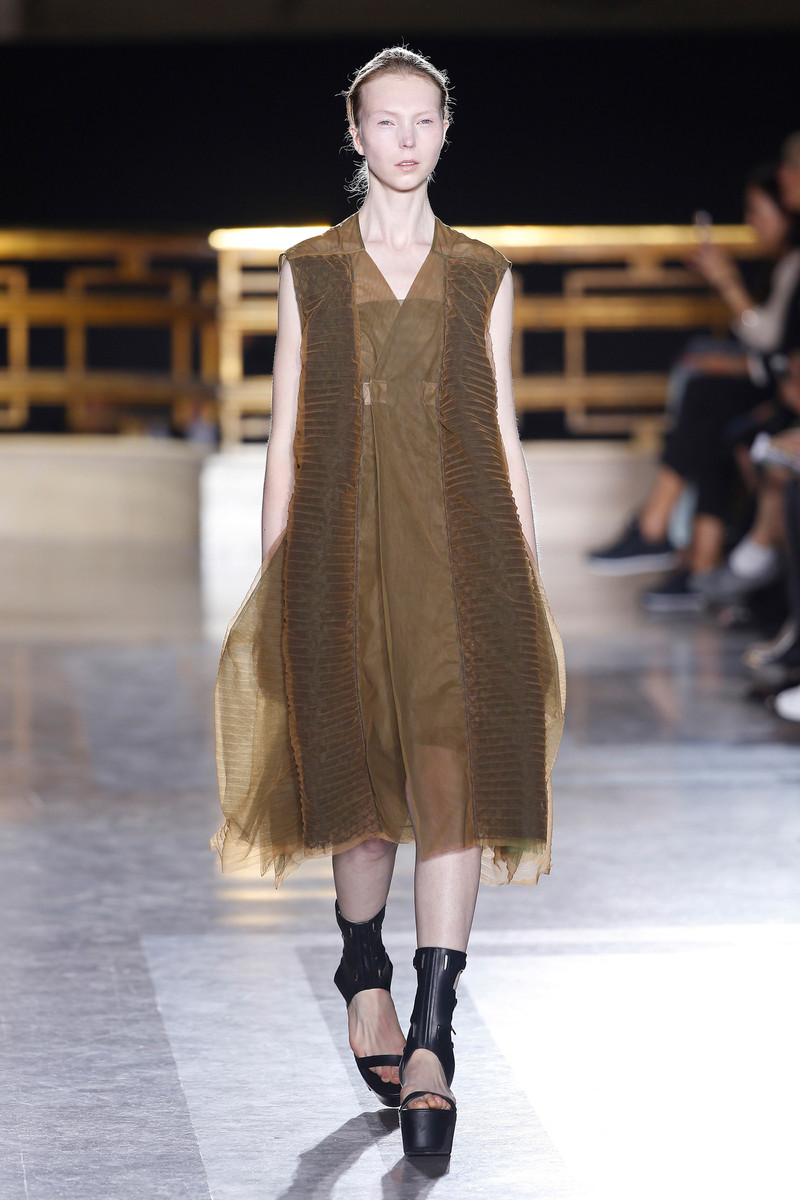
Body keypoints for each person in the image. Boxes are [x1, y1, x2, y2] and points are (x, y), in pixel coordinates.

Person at [212, 46, 566, 1159]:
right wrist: (280, 586)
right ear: (356, 133)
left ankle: (432, 1035)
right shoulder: (309, 269)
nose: (405, 140)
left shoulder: (482, 272)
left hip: (461, 554)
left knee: (452, 782)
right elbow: (287, 434)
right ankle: (360, 962)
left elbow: (499, 425)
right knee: (361, 798)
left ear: (445, 131)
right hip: (339, 553)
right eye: (386, 121)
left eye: (424, 120)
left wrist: (523, 576)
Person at [586, 164, 800, 611]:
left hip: (783, 391)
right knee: (706, 390)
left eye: (758, 211)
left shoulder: (794, 263)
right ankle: (690, 551)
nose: (751, 223)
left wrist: (725, 279)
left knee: (711, 401)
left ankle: (664, 532)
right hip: (779, 383)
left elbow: (772, 344)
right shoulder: (785, 263)